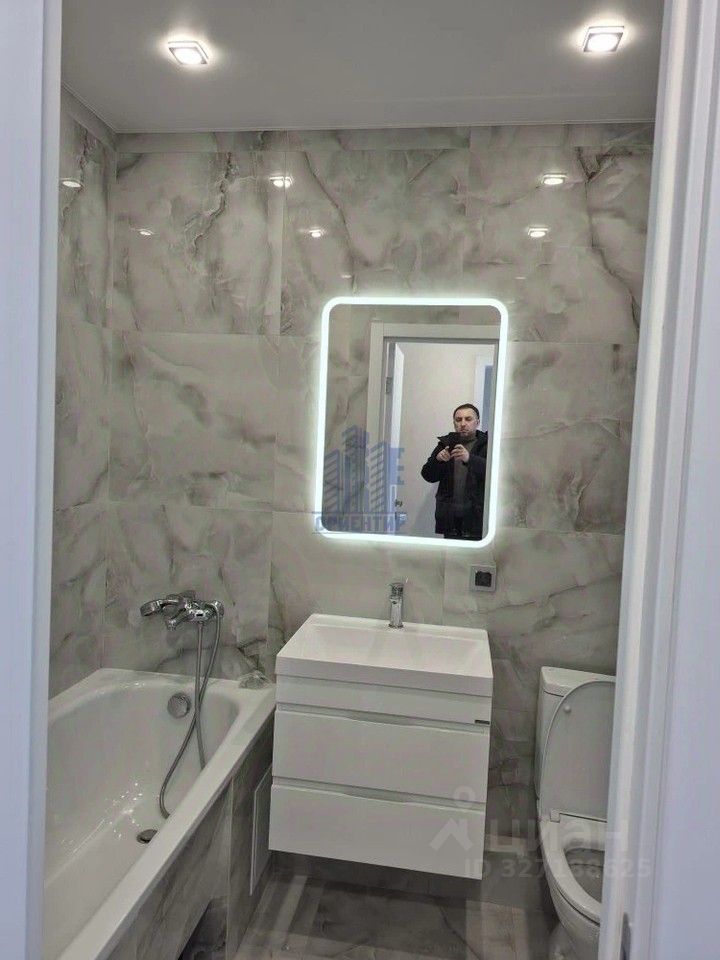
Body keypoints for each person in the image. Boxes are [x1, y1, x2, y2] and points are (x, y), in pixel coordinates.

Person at [421, 403, 488, 539]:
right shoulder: (445, 444)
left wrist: (470, 459)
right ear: (454, 423)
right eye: (458, 420)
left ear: (477, 422)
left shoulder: (487, 444)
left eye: (468, 419)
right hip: (449, 519)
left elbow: (494, 475)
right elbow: (428, 475)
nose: (463, 423)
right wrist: (438, 460)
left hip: (476, 519)